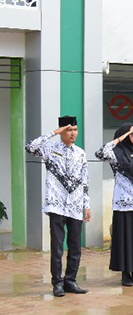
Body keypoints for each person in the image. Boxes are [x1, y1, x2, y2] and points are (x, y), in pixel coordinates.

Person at [25, 116, 90, 297]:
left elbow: (85, 181)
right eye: (69, 130)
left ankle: (71, 281)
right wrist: (53, 133)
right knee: (58, 246)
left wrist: (87, 205)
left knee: (75, 246)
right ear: (62, 131)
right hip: (56, 205)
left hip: (76, 205)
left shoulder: (81, 153)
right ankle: (57, 283)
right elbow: (30, 146)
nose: (73, 133)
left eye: (75, 130)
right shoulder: (50, 150)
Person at [96, 123, 133, 287]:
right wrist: (120, 139)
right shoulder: (117, 154)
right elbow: (100, 152)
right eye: (132, 133)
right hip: (124, 204)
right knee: (126, 239)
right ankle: (126, 274)